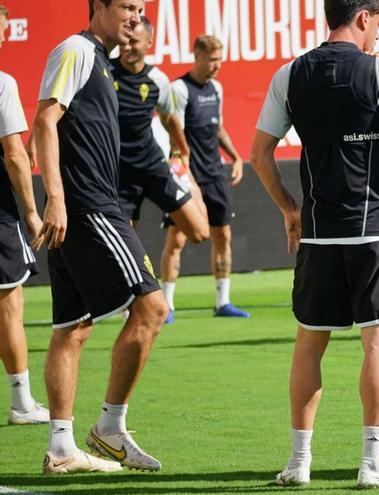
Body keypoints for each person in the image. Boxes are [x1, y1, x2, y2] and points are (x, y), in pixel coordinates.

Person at [250, 0, 379, 487]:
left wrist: (290, 209)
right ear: (363, 17)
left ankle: (298, 463)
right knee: (378, 343)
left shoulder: (289, 74)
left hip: (318, 231)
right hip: (377, 231)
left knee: (308, 346)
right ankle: (372, 463)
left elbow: (259, 153)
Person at [32, 0, 166, 474]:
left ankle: (62, 446)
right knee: (153, 307)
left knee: (72, 327)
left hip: (85, 207)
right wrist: (56, 198)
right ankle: (110, 427)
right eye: (126, 6)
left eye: (140, 8)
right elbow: (44, 121)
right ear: (99, 8)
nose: (135, 15)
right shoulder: (76, 49)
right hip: (87, 208)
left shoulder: (102, 62)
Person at [163, 35, 248, 322]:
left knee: (223, 234)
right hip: (188, 176)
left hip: (215, 173)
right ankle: (167, 305)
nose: (217, 65)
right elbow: (176, 137)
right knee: (177, 239)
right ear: (197, 55)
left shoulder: (217, 88)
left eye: (220, 59)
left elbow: (218, 128)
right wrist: (184, 177)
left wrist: (235, 156)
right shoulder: (179, 89)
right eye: (212, 59)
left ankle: (223, 302)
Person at [111, 17, 209, 243]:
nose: (127, 47)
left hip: (153, 166)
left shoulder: (158, 80)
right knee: (124, 243)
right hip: (120, 174)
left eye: (134, 42)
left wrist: (182, 150)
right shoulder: (106, 73)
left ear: (149, 42)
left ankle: (178, 192)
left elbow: (169, 117)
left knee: (200, 233)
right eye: (124, 41)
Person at [0, 4, 50, 426]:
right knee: (8, 304)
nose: (2, 39)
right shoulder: (2, 83)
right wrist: (32, 212)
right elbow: (15, 153)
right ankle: (22, 403)